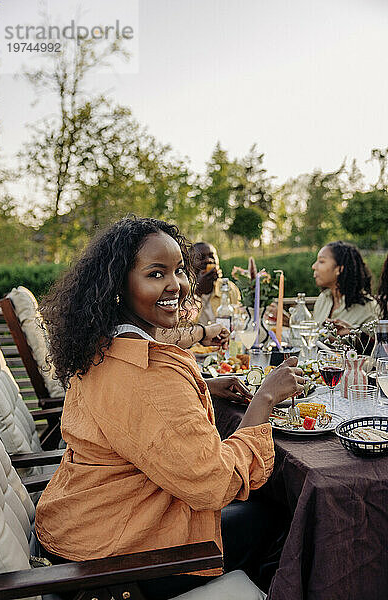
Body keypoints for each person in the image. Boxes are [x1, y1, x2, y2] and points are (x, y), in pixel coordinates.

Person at [35, 217, 304, 599]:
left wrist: (205, 387)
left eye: (178, 270)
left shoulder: (104, 346)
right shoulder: (146, 376)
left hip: (79, 526)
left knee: (263, 506)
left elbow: (133, 411)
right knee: (284, 516)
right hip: (114, 561)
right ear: (119, 285)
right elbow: (213, 483)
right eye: (156, 273)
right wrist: (265, 398)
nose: (174, 285)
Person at [312, 241, 379, 335]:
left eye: (321, 261)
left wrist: (354, 335)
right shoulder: (323, 298)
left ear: (339, 269)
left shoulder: (368, 308)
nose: (314, 266)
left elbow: (375, 346)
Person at [191, 241, 241, 325]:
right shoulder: (182, 290)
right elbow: (183, 327)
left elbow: (238, 320)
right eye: (201, 257)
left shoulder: (229, 288)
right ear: (190, 265)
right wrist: (198, 291)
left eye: (212, 256)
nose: (208, 260)